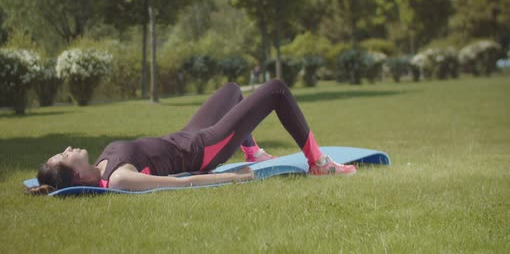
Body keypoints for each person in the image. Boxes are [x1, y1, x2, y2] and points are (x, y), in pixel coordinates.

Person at [28, 79, 356, 194]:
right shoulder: (118, 180)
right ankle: (319, 163)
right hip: (205, 148)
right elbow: (183, 184)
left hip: (190, 133)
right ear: (75, 173)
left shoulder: (101, 164)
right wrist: (235, 179)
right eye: (64, 155)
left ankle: (252, 150)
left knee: (231, 90)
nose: (68, 148)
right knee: (276, 90)